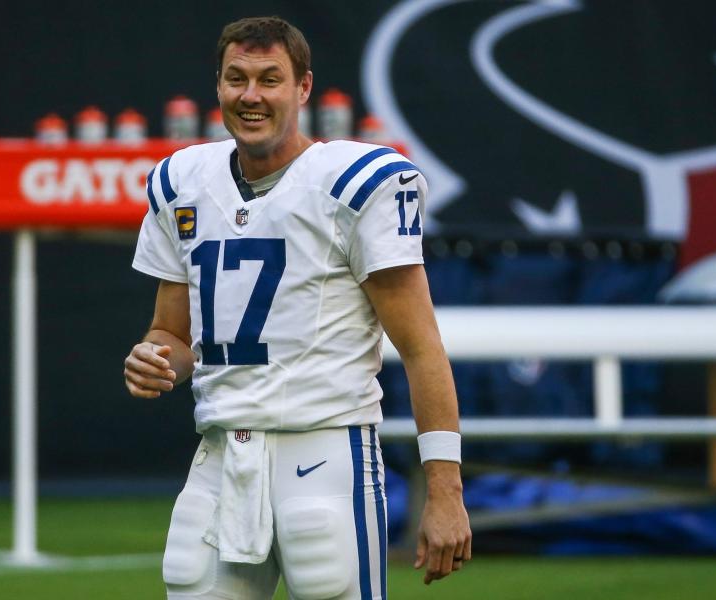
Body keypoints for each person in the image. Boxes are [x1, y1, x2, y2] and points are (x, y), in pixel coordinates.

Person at [125, 16, 470, 599]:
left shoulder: (354, 183)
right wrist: (155, 358)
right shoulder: (183, 180)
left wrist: (446, 490)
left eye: (270, 79)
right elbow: (172, 333)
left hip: (327, 452)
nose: (251, 95)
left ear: (303, 88)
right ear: (218, 85)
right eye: (237, 79)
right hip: (220, 453)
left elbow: (419, 346)